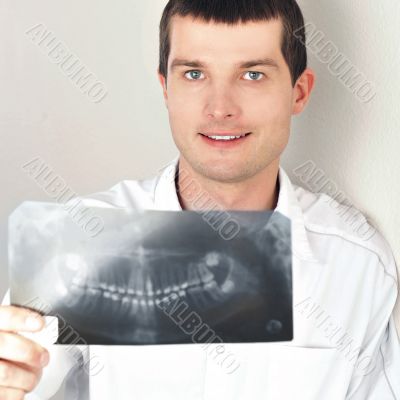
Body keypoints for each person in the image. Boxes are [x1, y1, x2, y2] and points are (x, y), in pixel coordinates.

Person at [1, 0, 399, 398]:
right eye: (194, 73)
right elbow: (25, 374)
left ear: (298, 93)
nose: (220, 108)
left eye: (253, 74)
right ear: (166, 90)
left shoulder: (358, 266)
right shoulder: (78, 241)